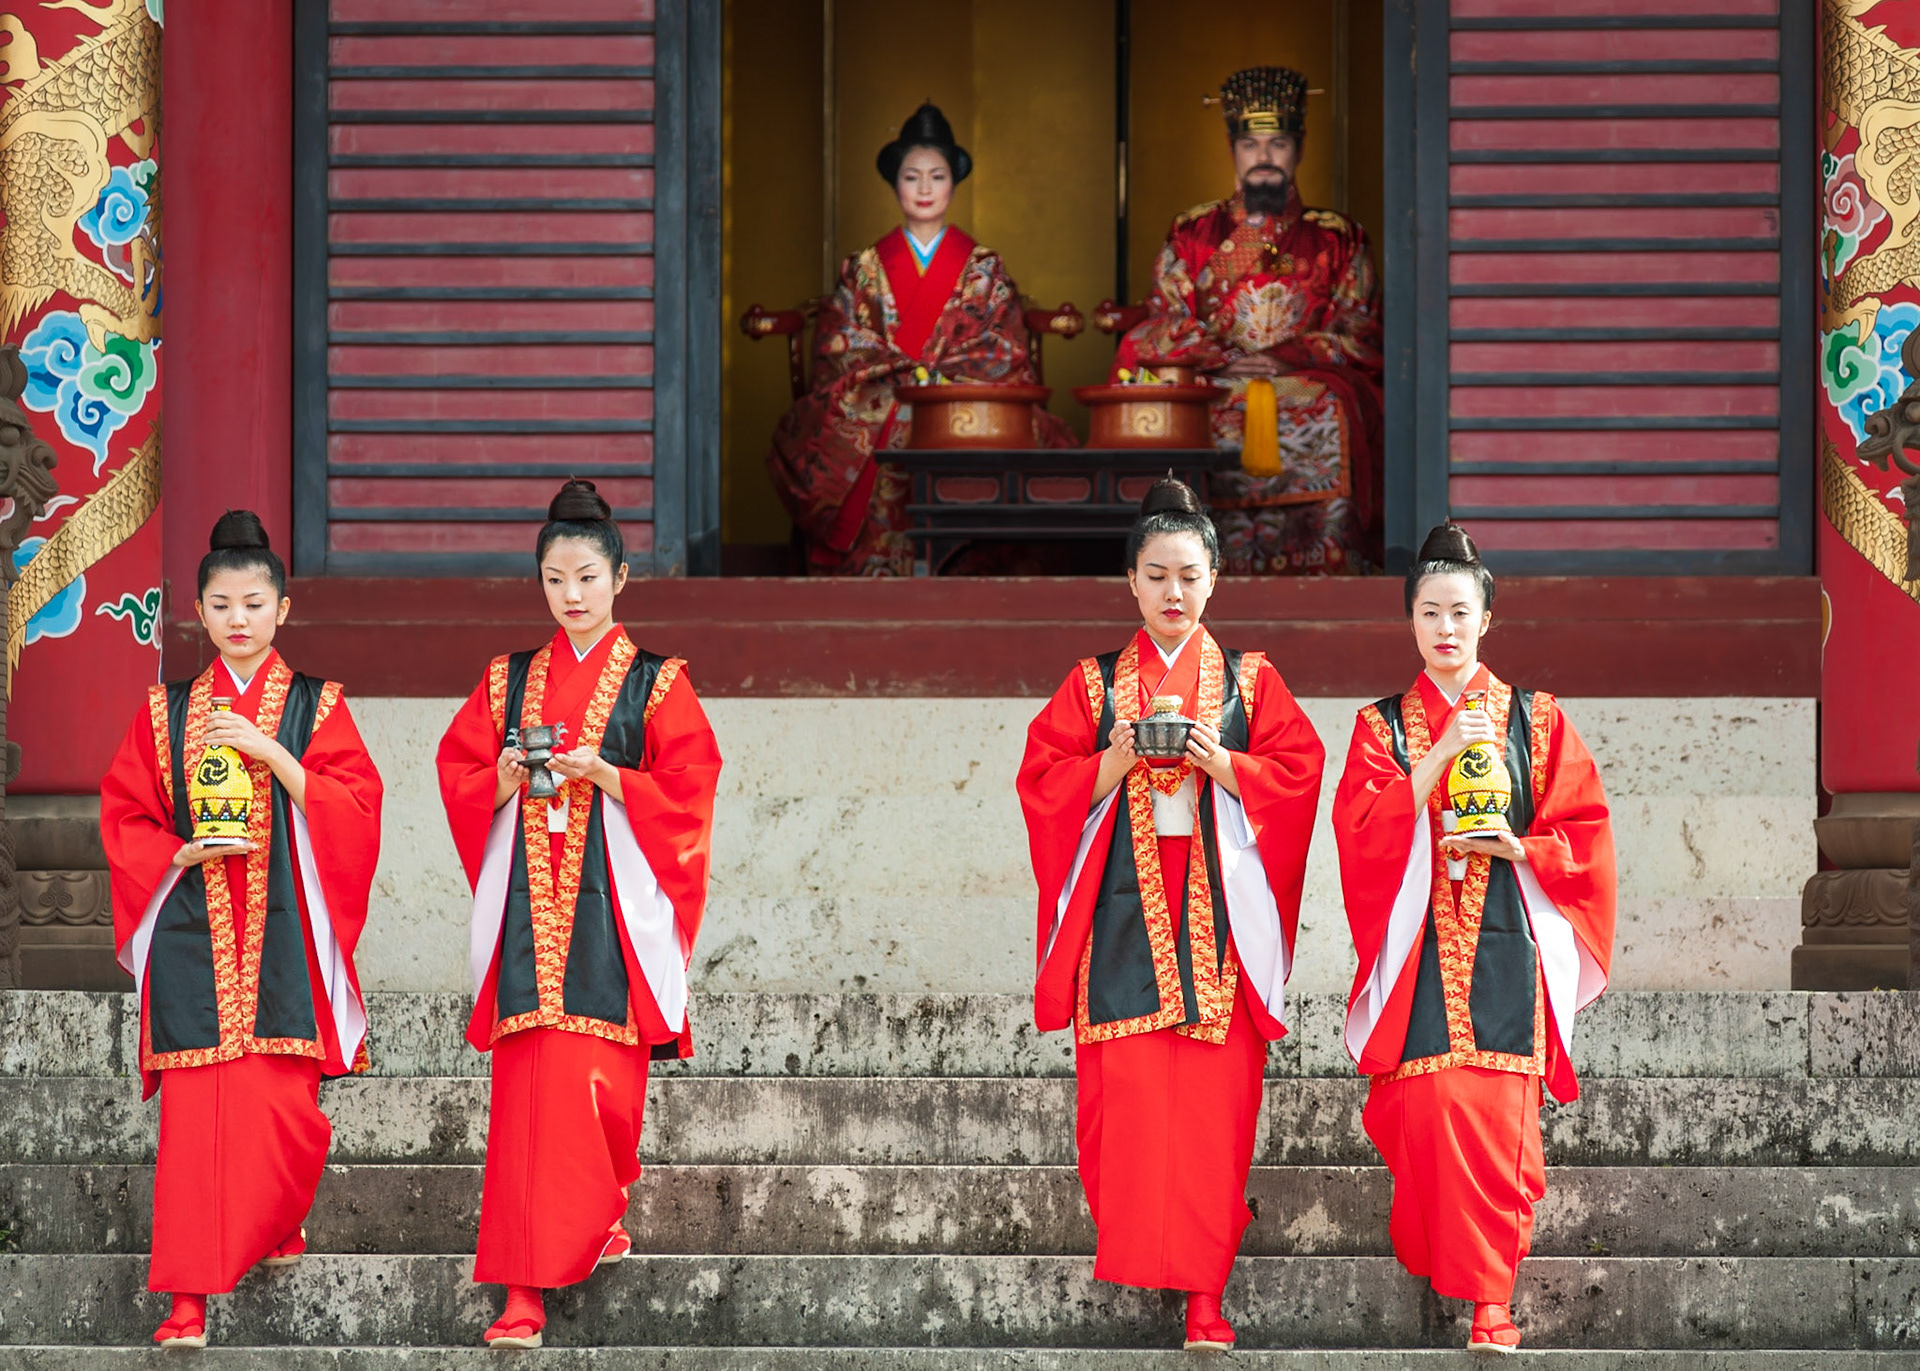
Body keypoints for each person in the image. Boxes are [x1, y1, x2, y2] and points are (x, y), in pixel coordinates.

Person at [1017, 478, 1323, 1351]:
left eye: (1189, 574)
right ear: (1131, 582)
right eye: (1156, 575)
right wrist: (1110, 764)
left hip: (1218, 926)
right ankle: (1156, 1251)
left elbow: (1299, 774)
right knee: (1129, 1112)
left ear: (1216, 577)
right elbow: (1041, 785)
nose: (1173, 593)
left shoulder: (1252, 682)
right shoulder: (1092, 685)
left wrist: (1223, 761)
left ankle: (1204, 1295)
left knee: (1212, 1119)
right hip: (1119, 926)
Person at [436, 479, 722, 1348]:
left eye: (588, 577)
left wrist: (611, 778)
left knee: (603, 1089)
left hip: (614, 912)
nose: (572, 595)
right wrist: (506, 779)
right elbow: (458, 777)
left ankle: (602, 1209)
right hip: (529, 905)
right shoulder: (506, 679)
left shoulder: (656, 680)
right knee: (528, 1101)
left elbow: (692, 788)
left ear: (621, 579)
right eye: (556, 579)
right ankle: (521, 1289)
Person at [100, 511, 383, 1349]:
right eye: (221, 603)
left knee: (285, 1106)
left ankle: (276, 1217)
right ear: (199, 608)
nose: (237, 618)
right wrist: (177, 847)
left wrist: (273, 750)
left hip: (284, 931)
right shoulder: (167, 711)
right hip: (192, 927)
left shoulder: (313, 704)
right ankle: (186, 1300)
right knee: (194, 1124)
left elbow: (358, 806)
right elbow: (125, 812)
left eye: (254, 602)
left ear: (282, 610)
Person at [1332, 523, 1615, 1354]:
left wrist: (1520, 845)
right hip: (1420, 953)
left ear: (1487, 617)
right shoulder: (1382, 726)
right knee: (1426, 1107)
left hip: (1507, 946)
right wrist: (1441, 754)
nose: (1445, 628)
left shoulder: (1537, 720)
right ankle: (1444, 1252)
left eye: (1460, 611)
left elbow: (1587, 833)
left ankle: (1493, 1302)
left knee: (1497, 1118)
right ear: (1410, 622)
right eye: (1429, 612)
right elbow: (1359, 831)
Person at [766, 101, 1075, 576]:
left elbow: (1004, 348)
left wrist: (942, 381)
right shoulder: (864, 267)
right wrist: (902, 378)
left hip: (958, 399)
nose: (925, 188)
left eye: (937, 176)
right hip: (885, 396)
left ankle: (967, 570)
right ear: (895, 184)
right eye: (912, 177)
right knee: (865, 426)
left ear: (953, 182)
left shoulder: (983, 267)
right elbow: (839, 344)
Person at [1114, 65, 1384, 576]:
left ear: (1299, 149)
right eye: (1250, 145)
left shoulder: (1338, 236)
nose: (1263, 158)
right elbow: (1164, 317)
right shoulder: (1193, 232)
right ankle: (1190, 563)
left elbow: (1361, 331)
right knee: (1182, 406)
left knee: (1327, 406)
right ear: (1232, 149)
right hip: (1216, 378)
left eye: (1277, 144)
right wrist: (1222, 358)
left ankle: (1325, 558)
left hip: (1302, 380)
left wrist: (1285, 358)